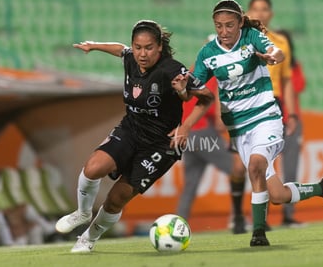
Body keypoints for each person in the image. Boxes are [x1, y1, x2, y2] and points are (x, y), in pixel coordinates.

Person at [191, 0, 323, 247]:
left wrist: (272, 57)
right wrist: (181, 88)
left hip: (266, 115)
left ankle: (258, 232)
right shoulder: (209, 51)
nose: (223, 31)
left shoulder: (254, 37)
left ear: (240, 22)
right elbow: (194, 85)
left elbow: (278, 54)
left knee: (254, 166)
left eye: (229, 25)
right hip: (238, 127)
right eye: (219, 26)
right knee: (277, 195)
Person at [55, 20, 214, 253]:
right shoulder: (130, 58)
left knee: (117, 199)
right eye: (138, 47)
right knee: (93, 168)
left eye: (148, 47)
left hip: (161, 144)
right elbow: (120, 50)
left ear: (159, 47)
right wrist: (94, 45)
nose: (142, 53)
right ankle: (82, 212)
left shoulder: (172, 70)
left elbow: (206, 97)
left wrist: (186, 127)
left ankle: (88, 238)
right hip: (131, 129)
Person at [246, 0, 302, 226]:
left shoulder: (281, 42)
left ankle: (271, 218)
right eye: (255, 9)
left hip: (273, 103)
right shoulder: (241, 41)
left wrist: (293, 113)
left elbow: (288, 81)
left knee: (267, 162)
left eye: (264, 9)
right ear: (248, 12)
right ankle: (250, 218)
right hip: (247, 104)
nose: (260, 13)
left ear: (271, 14)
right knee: (250, 164)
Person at [176, 69, 247, 234]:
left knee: (190, 184)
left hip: (187, 135)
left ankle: (178, 224)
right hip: (204, 134)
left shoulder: (189, 75)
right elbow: (218, 119)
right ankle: (237, 217)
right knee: (237, 170)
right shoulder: (215, 78)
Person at [276, 28, 307, 226]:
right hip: (273, 121)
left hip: (292, 122)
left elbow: (298, 85)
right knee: (263, 170)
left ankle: (288, 215)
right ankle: (260, 217)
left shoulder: (293, 67)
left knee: (290, 170)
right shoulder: (269, 67)